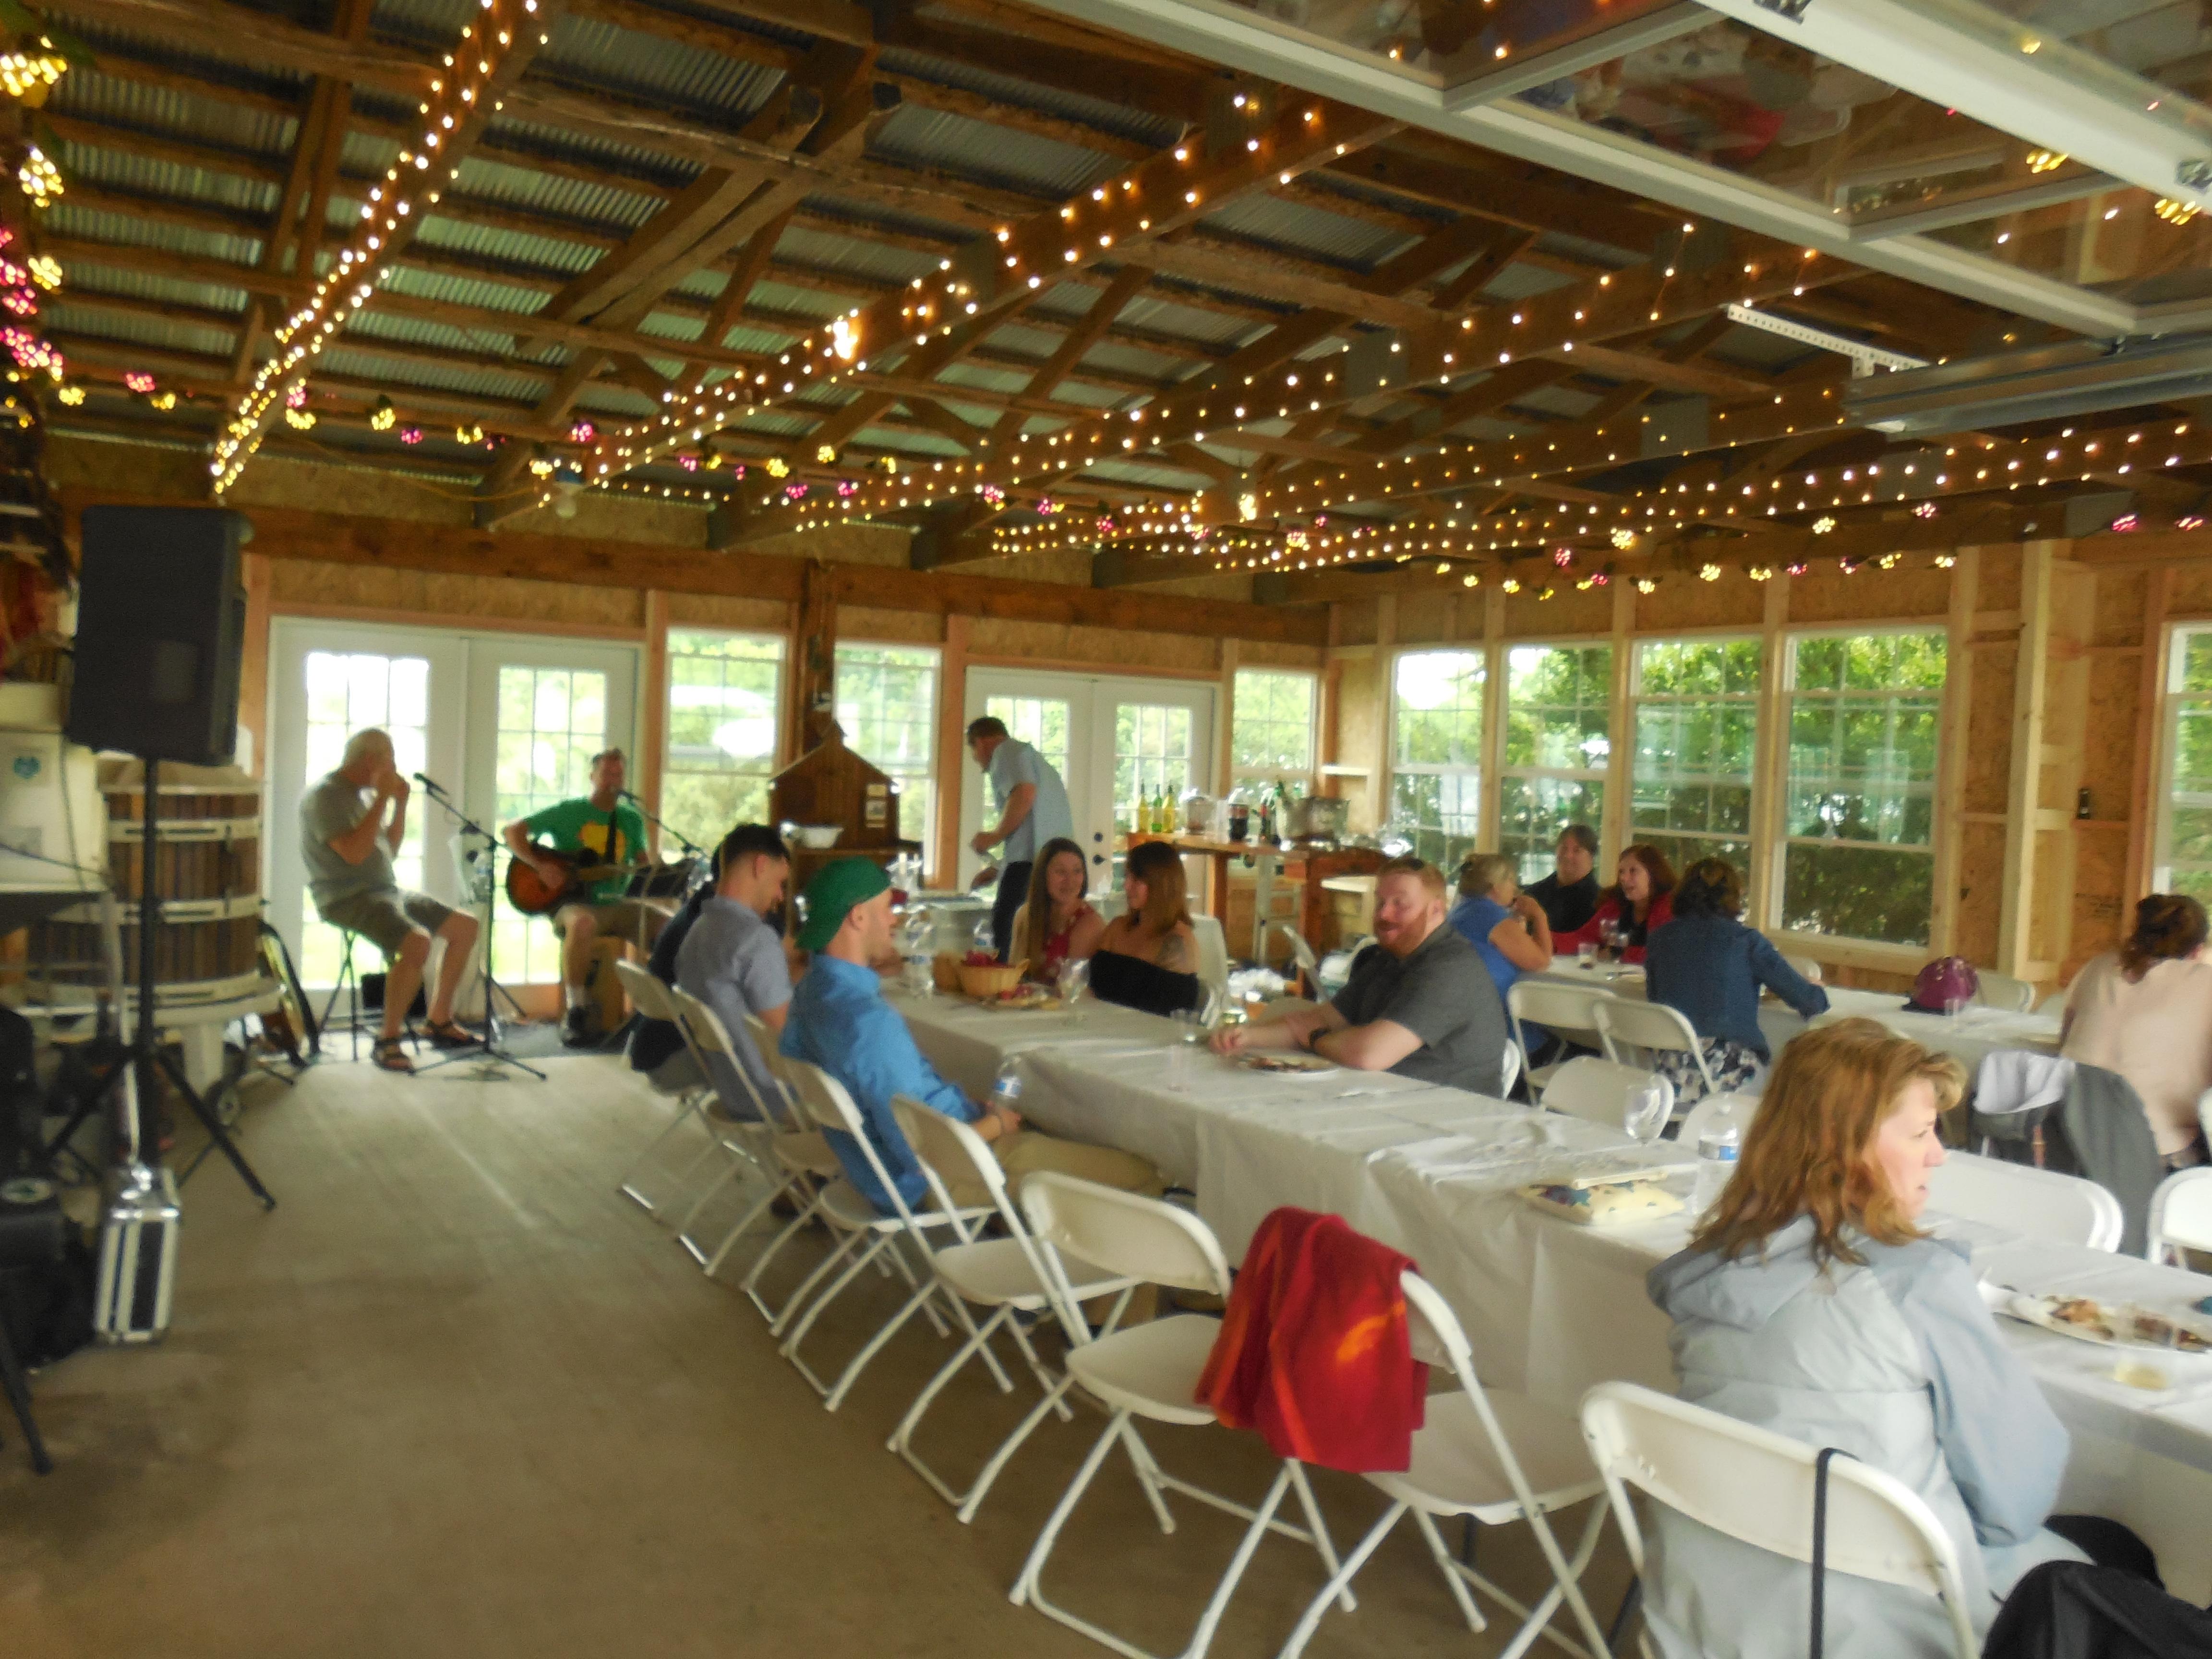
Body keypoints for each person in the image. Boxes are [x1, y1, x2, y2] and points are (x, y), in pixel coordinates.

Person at [1643, 1019, 2100, 1658]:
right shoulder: (1917, 1283)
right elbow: (2013, 1504)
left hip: (1713, 1613)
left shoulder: (1703, 1275)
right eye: (1920, 1133)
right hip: (1896, 1628)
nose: (1939, 1153)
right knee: (2117, 1554)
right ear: (1841, 1145)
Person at [778, 858, 1160, 1214]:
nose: (893, 921)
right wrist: (996, 1125)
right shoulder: (868, 1023)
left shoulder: (811, 994)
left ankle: (1040, 1256)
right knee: (1142, 1173)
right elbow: (919, 1153)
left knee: (1042, 1122)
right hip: (935, 1179)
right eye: (885, 911)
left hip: (872, 1170)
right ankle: (1086, 1284)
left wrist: (966, 1106)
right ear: (857, 917)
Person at [1212, 857, 1510, 1096]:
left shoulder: (1450, 968)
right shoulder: (1390, 956)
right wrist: (1246, 1037)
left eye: (1400, 904)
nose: (1385, 914)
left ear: (1436, 911)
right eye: (1381, 902)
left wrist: (1316, 1040)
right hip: (1387, 1099)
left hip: (1452, 1121)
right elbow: (1320, 1020)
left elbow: (1369, 1054)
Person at [299, 727, 480, 1073]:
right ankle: (388, 1039)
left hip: (386, 890)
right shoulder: (326, 796)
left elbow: (389, 851)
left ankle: (439, 1020)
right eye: (391, 759)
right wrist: (382, 798)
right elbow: (352, 854)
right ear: (371, 761)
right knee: (416, 943)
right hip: (346, 897)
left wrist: (399, 805)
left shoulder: (363, 796)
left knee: (465, 927)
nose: (396, 767)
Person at [502, 748, 671, 1046]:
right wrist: (539, 866)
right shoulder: (570, 812)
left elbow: (644, 865)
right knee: (581, 923)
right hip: (573, 904)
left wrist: (660, 871)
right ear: (592, 776)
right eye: (607, 774)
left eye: (618, 775)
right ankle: (576, 1009)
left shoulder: (631, 819)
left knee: (670, 928)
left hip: (619, 905)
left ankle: (664, 1011)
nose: (613, 781)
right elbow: (513, 831)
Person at [1642, 856, 1827, 1100]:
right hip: (1729, 1076)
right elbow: (1810, 1003)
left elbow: (1656, 998)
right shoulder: (1746, 941)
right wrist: (1816, 989)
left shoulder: (1659, 939)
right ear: (1733, 897)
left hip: (1668, 1075)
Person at [2062, 893, 2212, 1168]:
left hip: (2075, 1136)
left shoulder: (2098, 967)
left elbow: (2067, 1036)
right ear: (2197, 950)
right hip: (2159, 1148)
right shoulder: (2205, 983)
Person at [671, 824, 793, 1115]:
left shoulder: (698, 931)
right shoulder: (756, 939)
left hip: (728, 1085)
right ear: (761, 865)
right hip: (774, 1094)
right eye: (780, 882)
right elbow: (787, 1034)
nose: (779, 895)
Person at [965, 716, 1074, 963]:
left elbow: (1025, 793)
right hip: (1048, 863)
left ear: (981, 743)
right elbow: (1031, 831)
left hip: (1033, 867)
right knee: (1032, 938)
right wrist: (999, 868)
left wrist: (994, 836)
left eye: (973, 751)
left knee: (1007, 931)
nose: (976, 759)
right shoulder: (1031, 758)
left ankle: (1004, 989)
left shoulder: (1007, 751)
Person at [1091, 839, 1203, 1016]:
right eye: (1127, 877)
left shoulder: (1178, 942)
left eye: (1136, 880)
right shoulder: (1118, 927)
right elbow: (1092, 985)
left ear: (1161, 885)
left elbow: (1174, 1013)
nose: (1126, 886)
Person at [1448, 852, 1552, 1006]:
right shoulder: (1491, 915)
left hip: (1464, 1005)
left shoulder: (1460, 909)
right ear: (1496, 887)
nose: (1515, 888)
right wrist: (1539, 916)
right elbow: (1541, 963)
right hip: (1493, 1014)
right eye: (1511, 881)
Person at [1553, 842, 1676, 963]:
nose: (1623, 878)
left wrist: (1616, 954)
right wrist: (1542, 937)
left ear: (1654, 875)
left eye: (1633, 871)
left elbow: (1662, 953)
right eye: (1621, 872)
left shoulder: (1670, 907)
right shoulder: (1616, 905)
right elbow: (1583, 938)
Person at [1009, 837, 1102, 981]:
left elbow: (1072, 989)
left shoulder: (1089, 924)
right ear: (1042, 876)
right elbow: (1012, 975)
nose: (1070, 881)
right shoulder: (1025, 914)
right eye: (1061, 872)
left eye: (1077, 871)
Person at [1524, 824, 1602, 934]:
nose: (1568, 856)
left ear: (1592, 857)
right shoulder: (1534, 894)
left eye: (1577, 850)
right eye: (1564, 848)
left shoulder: (1599, 902)